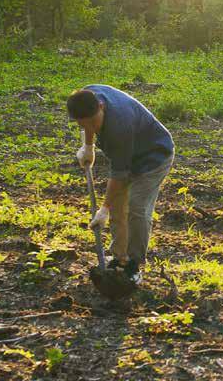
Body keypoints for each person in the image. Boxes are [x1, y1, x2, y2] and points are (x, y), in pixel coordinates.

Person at [68, 86, 174, 284]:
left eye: (93, 122)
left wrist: (103, 209)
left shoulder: (119, 125)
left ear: (101, 106)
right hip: (130, 155)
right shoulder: (87, 96)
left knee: (136, 208)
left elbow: (119, 173)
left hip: (155, 156)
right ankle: (120, 258)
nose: (90, 127)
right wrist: (88, 146)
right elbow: (87, 124)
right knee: (118, 208)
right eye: (84, 124)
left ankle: (134, 264)